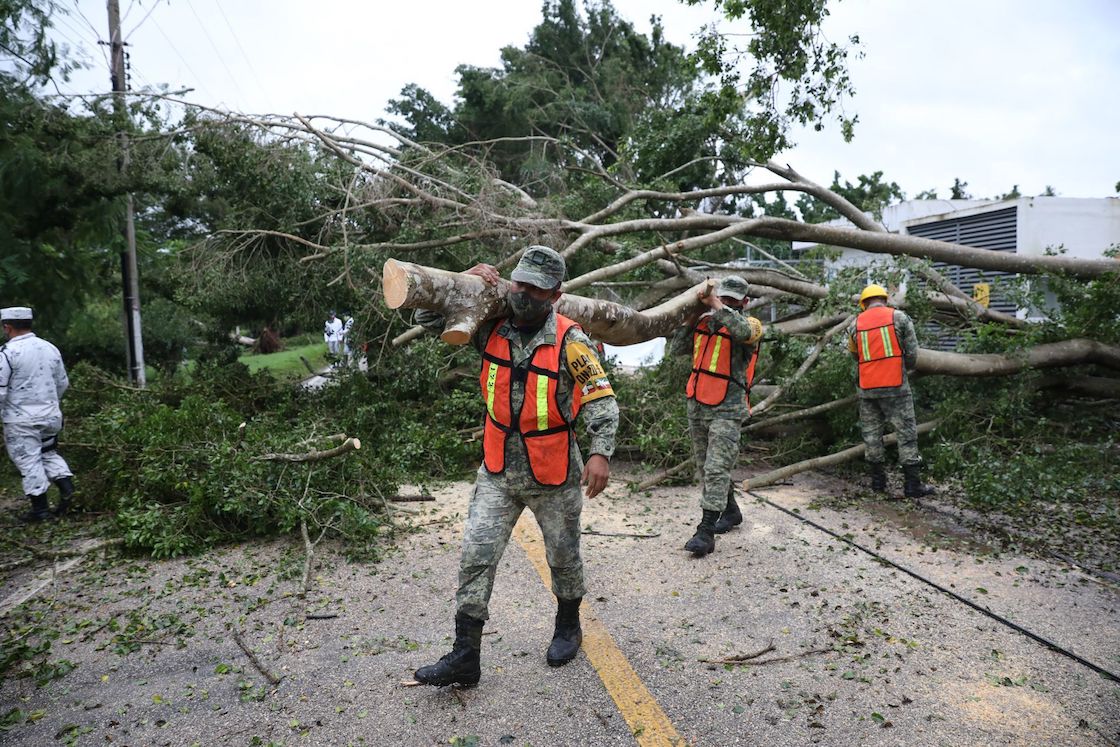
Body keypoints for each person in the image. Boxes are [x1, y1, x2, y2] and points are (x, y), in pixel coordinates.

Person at [412, 245, 619, 687]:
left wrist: (600, 452)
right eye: (519, 283)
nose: (523, 294)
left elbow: (601, 398)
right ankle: (465, 655)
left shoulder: (571, 340)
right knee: (475, 556)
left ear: (555, 293)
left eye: (535, 289)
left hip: (554, 471)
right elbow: (426, 318)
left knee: (563, 557)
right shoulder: (490, 325)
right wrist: (460, 280)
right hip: (498, 468)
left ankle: (568, 626)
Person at [669, 276, 764, 557]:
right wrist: (691, 318)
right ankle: (731, 511)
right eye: (726, 298)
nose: (729, 303)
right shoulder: (705, 322)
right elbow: (676, 350)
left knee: (716, 468)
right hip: (697, 404)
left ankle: (706, 531)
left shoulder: (752, 326)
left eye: (735, 300)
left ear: (745, 302)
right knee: (707, 467)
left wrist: (716, 306)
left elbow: (741, 331)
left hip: (728, 408)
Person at [847, 284, 934, 499]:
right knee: (906, 434)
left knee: (871, 436)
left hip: (868, 389)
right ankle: (912, 486)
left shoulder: (854, 324)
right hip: (896, 386)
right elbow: (912, 353)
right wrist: (906, 368)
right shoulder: (900, 318)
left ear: (864, 303)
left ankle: (878, 484)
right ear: (884, 299)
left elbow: (854, 355)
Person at [0, 307, 75, 522]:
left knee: (29, 460)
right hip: (51, 416)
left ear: (7, 327)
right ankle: (70, 494)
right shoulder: (50, 348)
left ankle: (40, 511)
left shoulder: (7, 353)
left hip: (21, 420)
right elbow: (63, 383)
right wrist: (50, 404)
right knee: (48, 453)